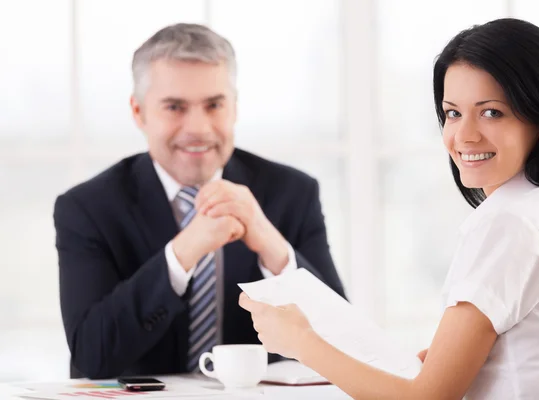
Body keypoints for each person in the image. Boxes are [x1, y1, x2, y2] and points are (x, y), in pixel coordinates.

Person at [239, 18, 539, 399]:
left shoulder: (512, 220)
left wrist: (301, 343)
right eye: (453, 113)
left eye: (491, 112)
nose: (464, 135)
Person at [53, 23, 345, 379]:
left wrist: (273, 247)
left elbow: (344, 344)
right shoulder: (88, 209)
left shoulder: (293, 193)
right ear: (138, 112)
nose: (199, 128)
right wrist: (181, 254)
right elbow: (91, 357)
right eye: (175, 107)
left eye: (214, 105)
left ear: (234, 108)